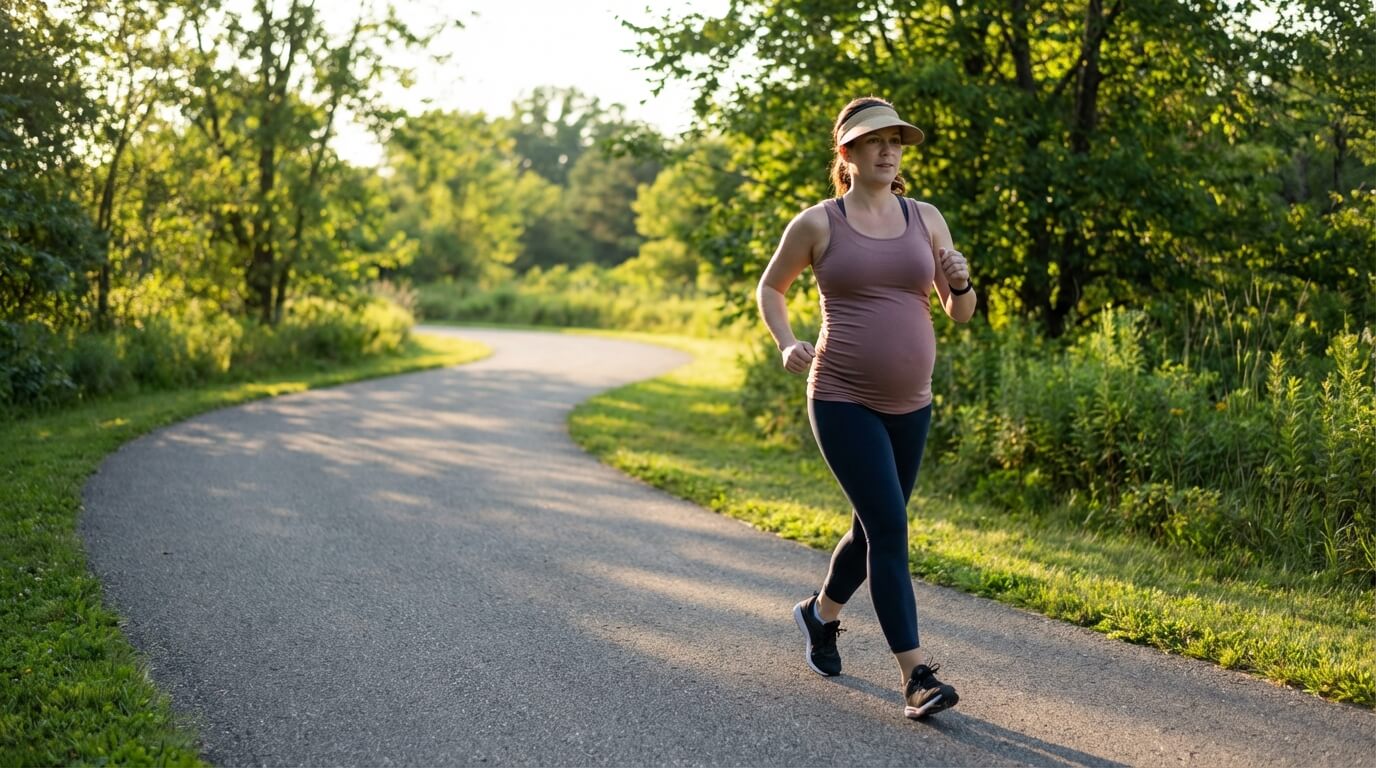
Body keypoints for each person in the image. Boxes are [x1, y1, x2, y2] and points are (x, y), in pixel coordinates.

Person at [755, 96, 976, 720]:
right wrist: (787, 340)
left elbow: (959, 312)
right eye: (874, 141)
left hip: (912, 403)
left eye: (897, 141)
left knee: (871, 525)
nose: (888, 150)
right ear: (846, 153)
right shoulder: (818, 223)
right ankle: (916, 677)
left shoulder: (926, 217)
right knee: (890, 529)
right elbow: (772, 286)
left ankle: (819, 615)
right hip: (840, 395)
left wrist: (959, 281)